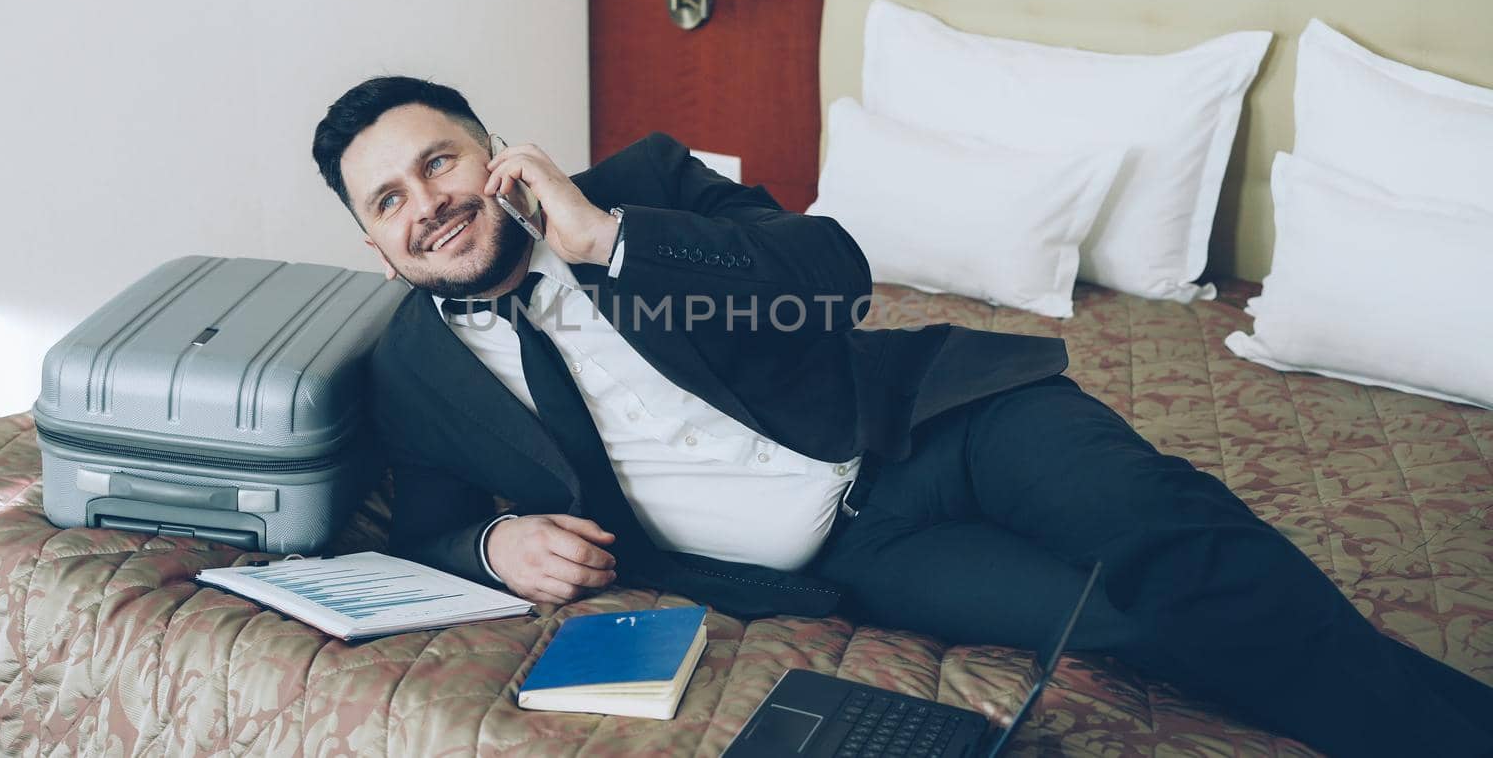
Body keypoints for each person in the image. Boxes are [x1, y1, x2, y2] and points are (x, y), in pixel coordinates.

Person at [311, 76, 1493, 757]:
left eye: (442, 162)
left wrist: (611, 244)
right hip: (862, 557)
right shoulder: (416, 372)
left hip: (942, 425)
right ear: (374, 242)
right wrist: (486, 546)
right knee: (1133, 624)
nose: (430, 205)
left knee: (1177, 542)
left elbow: (832, 278)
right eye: (392, 199)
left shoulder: (641, 191)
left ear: (497, 155)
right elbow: (425, 532)